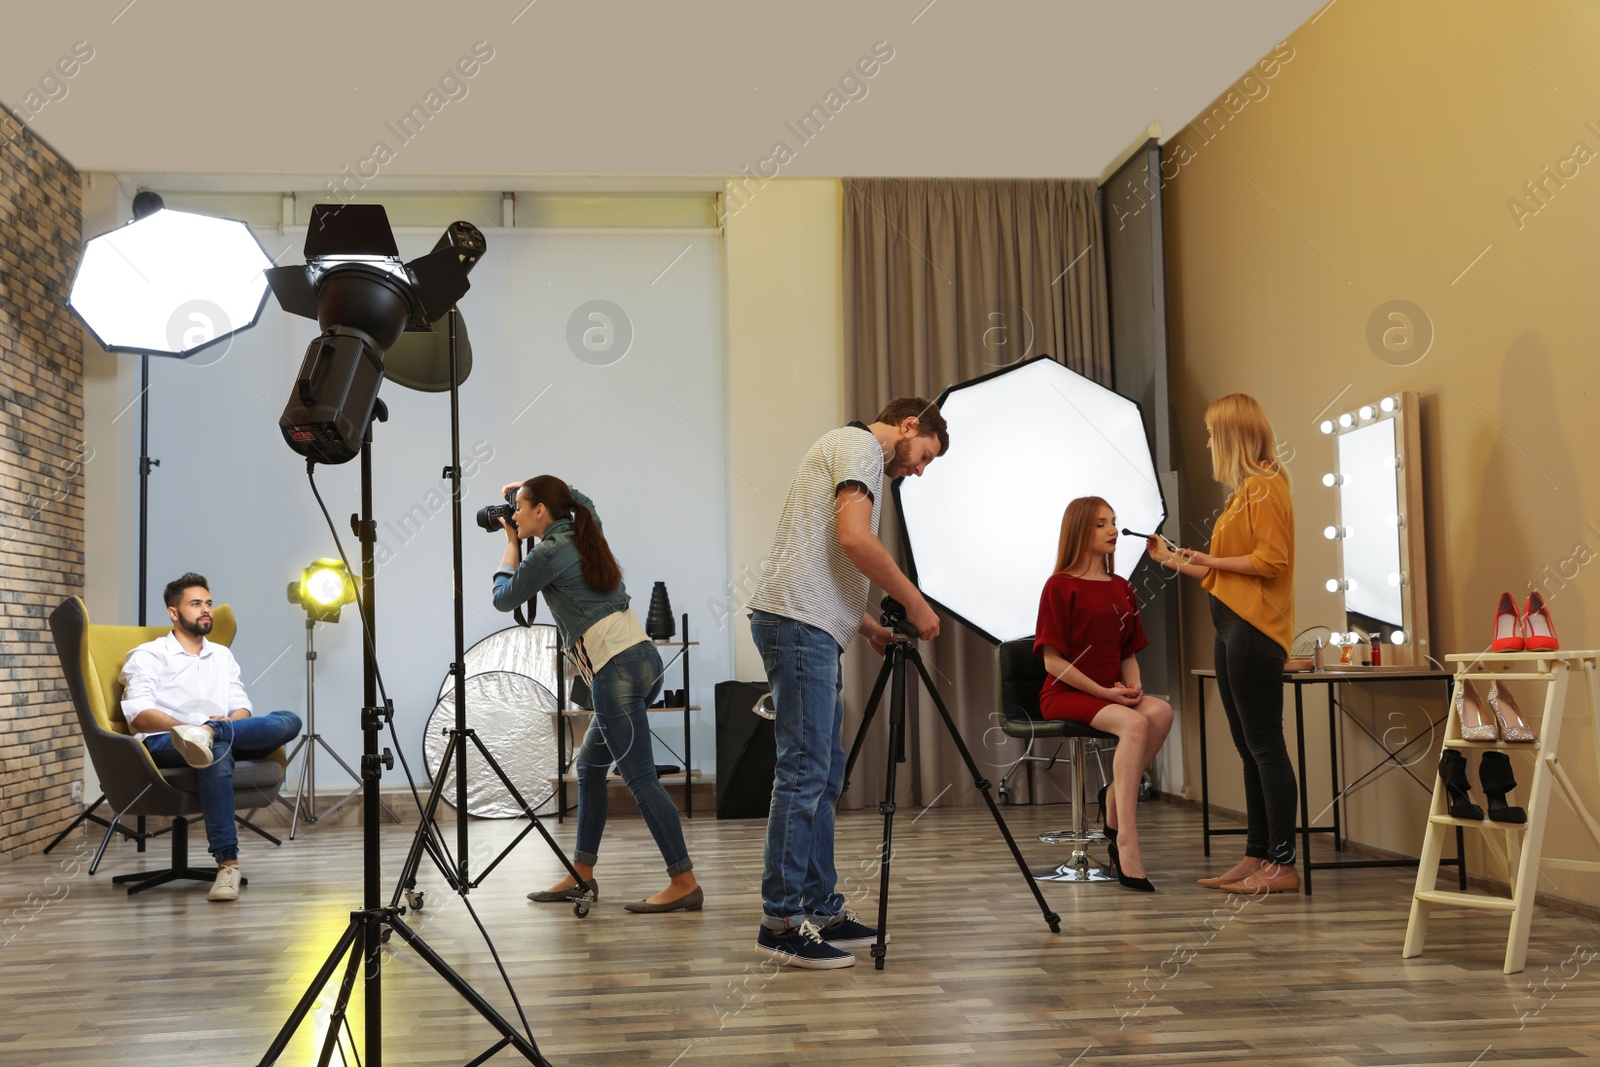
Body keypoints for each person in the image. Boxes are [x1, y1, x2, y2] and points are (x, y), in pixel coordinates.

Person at [747, 398, 949, 969]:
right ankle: (782, 922)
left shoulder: (845, 450)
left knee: (823, 772)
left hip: (809, 621)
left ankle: (821, 907)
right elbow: (856, 541)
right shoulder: (860, 445)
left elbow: (820, 556)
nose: (919, 470)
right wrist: (914, 601)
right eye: (925, 456)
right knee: (805, 771)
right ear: (909, 427)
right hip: (798, 625)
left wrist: (863, 626)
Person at [491, 476, 702, 913]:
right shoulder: (587, 530)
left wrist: (511, 544)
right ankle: (581, 874)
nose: (515, 513)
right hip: (644, 661)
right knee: (589, 768)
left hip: (616, 672)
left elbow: (503, 598)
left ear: (541, 513)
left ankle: (683, 881)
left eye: (521, 506)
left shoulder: (548, 552)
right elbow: (581, 499)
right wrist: (533, 482)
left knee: (640, 779)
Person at [1146, 393, 1298, 894]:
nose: (1208, 441)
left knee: (1265, 747)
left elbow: (1270, 562)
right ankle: (1257, 855)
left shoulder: (1266, 487)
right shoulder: (1242, 494)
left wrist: (1208, 561)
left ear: (1232, 435)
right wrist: (1171, 559)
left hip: (1255, 633)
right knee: (1249, 749)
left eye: (1212, 433)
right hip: (1232, 627)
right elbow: (1225, 576)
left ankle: (1283, 864)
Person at [119, 573, 304, 902]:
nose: (205, 610)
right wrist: (186, 728)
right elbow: (139, 714)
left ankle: (210, 731)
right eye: (195, 604)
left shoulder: (222, 655)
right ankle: (227, 865)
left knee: (289, 720)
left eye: (208, 603)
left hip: (221, 733)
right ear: (173, 613)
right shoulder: (148, 655)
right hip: (165, 742)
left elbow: (241, 706)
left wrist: (220, 724)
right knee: (217, 751)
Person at [1034, 497, 1173, 891]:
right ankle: (1126, 839)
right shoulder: (1058, 587)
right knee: (1133, 723)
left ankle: (1113, 793)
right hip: (1066, 692)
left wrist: (1132, 687)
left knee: (1160, 712)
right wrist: (1103, 693)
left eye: (1113, 522)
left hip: (1110, 692)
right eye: (1100, 524)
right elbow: (1052, 662)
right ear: (1080, 532)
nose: (1113, 530)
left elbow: (1127, 650)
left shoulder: (1121, 586)